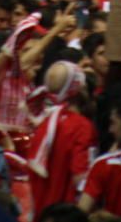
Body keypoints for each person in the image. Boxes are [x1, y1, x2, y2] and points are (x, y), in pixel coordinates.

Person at [28, 60, 97, 216]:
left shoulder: (41, 123)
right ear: (80, 89)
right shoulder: (82, 127)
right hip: (66, 215)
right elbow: (82, 180)